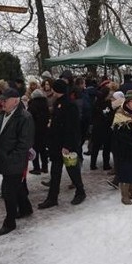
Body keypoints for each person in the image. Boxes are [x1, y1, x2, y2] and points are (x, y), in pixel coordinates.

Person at [0, 88, 35, 235]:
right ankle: (26, 209)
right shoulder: (1, 115)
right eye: (1, 99)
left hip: (14, 161)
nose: (2, 102)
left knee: (8, 192)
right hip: (2, 159)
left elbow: (24, 144)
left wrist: (11, 158)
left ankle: (9, 223)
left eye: (5, 100)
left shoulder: (24, 117)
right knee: (18, 186)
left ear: (15, 101)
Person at [38, 79, 86, 208]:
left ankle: (80, 192)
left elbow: (72, 128)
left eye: (53, 88)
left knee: (72, 170)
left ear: (56, 90)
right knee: (55, 172)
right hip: (56, 145)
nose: (51, 90)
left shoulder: (70, 105)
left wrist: (67, 146)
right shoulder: (58, 102)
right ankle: (52, 198)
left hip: (67, 146)